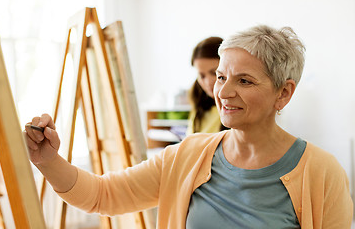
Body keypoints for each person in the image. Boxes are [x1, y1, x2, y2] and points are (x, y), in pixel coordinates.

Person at [24, 25, 353, 228]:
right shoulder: (187, 156)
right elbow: (102, 195)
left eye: (244, 80)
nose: (222, 91)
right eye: (222, 77)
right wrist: (49, 161)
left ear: (283, 93)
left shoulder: (322, 172)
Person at [187, 36, 227, 134]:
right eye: (202, 76)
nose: (208, 82)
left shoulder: (238, 110)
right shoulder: (200, 108)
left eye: (214, 73)